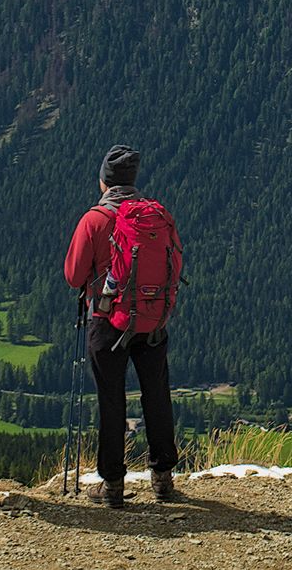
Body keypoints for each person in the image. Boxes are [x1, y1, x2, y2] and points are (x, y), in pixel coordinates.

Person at [62, 144, 180, 508]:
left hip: (106, 320)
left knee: (111, 400)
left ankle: (113, 484)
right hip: (151, 320)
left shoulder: (94, 220)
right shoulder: (156, 216)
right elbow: (175, 265)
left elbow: (73, 276)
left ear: (104, 182)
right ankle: (163, 478)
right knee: (156, 395)